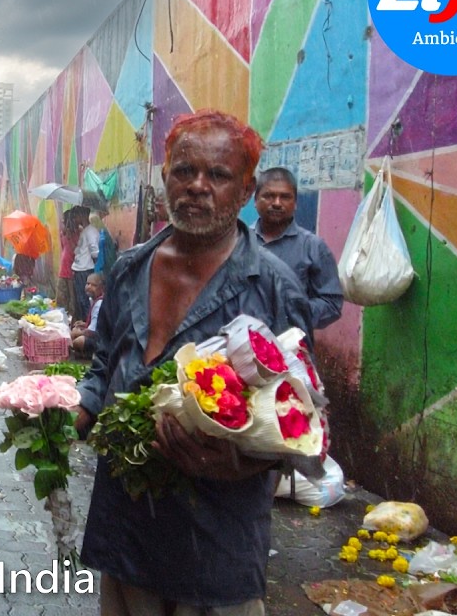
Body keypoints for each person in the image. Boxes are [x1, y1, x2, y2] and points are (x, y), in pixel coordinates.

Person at [73, 109, 312, 615]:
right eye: (184, 171)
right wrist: (75, 409)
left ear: (245, 191)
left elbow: (303, 424)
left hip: (215, 546)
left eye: (218, 175)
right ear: (165, 179)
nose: (198, 186)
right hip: (128, 532)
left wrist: (238, 464)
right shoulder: (129, 271)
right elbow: (102, 365)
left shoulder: (272, 289)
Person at [252, 167, 344, 330]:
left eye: (285, 197)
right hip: (240, 346)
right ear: (255, 200)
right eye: (269, 196)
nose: (277, 203)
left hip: (291, 348)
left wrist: (295, 314)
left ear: (295, 203)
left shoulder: (313, 247)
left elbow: (332, 303)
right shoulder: (239, 242)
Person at [72, 208, 100, 322]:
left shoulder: (91, 231)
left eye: (76, 215)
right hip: (80, 269)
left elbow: (95, 251)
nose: (74, 219)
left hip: (85, 270)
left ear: (82, 215)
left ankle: (88, 324)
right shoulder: (85, 230)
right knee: (80, 300)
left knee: (84, 300)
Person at [70, 273, 104, 355]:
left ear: (101, 288)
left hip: (102, 340)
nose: (89, 287)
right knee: (76, 329)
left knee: (78, 340)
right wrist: (84, 324)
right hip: (97, 335)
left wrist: (79, 332)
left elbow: (93, 331)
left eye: (94, 285)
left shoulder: (99, 304)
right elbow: (95, 324)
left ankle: (90, 354)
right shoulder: (93, 300)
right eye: (88, 284)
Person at [56, 209, 79, 319]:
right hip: (63, 269)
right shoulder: (63, 234)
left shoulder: (79, 234)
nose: (62, 224)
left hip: (73, 270)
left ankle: (72, 320)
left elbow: (77, 251)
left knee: (72, 300)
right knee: (61, 297)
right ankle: (61, 317)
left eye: (64, 221)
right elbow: (63, 248)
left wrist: (71, 238)